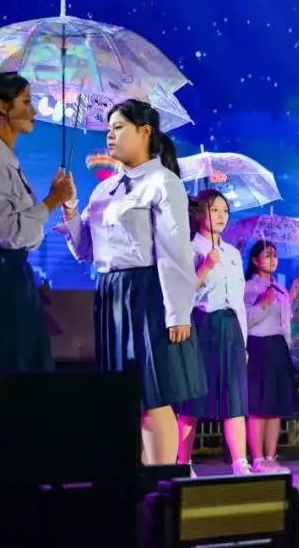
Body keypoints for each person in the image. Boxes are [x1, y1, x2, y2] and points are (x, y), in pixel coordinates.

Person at [57, 98, 206, 466]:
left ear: (145, 132)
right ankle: (133, 482)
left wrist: (178, 313)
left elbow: (174, 251)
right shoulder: (104, 190)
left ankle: (162, 482)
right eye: (107, 128)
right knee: (124, 398)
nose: (109, 134)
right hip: (110, 296)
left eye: (118, 127)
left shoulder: (163, 182)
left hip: (147, 293)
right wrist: (71, 208)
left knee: (152, 396)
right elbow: (86, 250)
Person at [0, 74, 74, 372]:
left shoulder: (7, 159)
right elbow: (4, 232)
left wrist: (53, 200)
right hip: (2, 278)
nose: (34, 111)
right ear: (1, 106)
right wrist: (51, 201)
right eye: (25, 101)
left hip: (15, 274)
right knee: (12, 368)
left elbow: (27, 233)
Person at [176, 189, 251, 475]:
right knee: (193, 400)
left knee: (234, 398)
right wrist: (205, 266)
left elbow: (239, 303)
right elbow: (182, 295)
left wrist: (243, 342)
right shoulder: (189, 249)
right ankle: (183, 463)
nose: (221, 216)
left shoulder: (233, 253)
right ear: (199, 214)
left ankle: (240, 463)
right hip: (202, 325)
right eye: (214, 209)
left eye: (225, 210)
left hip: (230, 328)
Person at [243, 240, 298, 474]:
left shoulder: (279, 288)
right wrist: (261, 305)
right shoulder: (248, 287)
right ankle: (257, 459)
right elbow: (243, 320)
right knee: (258, 406)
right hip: (258, 346)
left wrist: (292, 295)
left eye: (274, 255)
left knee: (275, 406)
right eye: (267, 255)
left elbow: (285, 322)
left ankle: (271, 457)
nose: (273, 259)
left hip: (278, 347)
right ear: (255, 260)